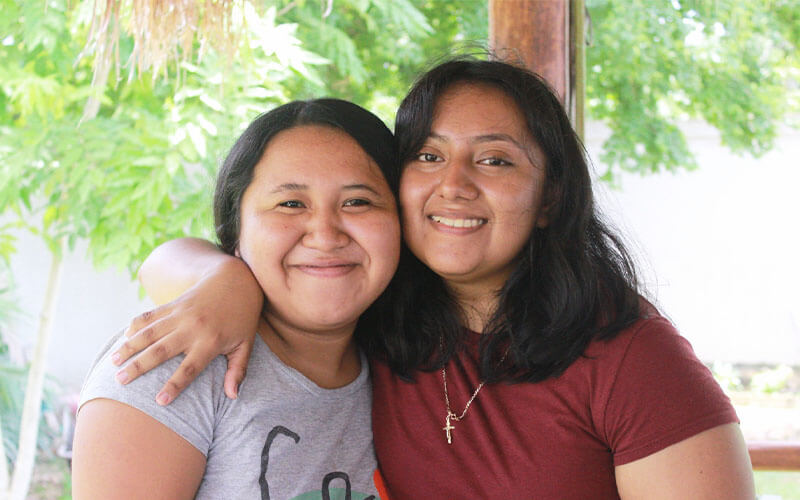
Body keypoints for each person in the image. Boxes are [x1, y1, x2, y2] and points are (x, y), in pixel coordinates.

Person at [109, 57, 755, 499]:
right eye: (428, 155)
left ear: (551, 197)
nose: (453, 185)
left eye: (495, 159)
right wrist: (225, 282)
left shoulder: (628, 354)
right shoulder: (378, 318)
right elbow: (173, 258)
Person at [71, 98, 402, 499]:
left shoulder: (410, 369)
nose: (326, 234)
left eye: (358, 201)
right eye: (291, 204)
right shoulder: (175, 363)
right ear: (236, 230)